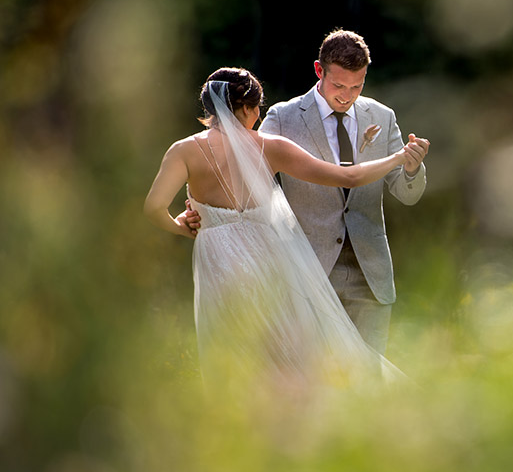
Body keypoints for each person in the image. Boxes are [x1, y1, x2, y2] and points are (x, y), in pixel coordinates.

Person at [144, 67, 427, 392]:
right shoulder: (270, 146)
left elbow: (153, 208)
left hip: (217, 262)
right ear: (250, 108)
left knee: (233, 352)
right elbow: (347, 177)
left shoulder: (183, 151)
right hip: (267, 259)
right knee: (285, 350)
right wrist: (397, 158)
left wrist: (180, 226)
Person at [184, 30, 429, 355]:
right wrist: (207, 208)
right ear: (319, 70)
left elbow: (407, 192)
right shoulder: (283, 117)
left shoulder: (382, 116)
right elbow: (247, 177)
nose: (347, 95)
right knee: (316, 383)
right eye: (339, 85)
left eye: (357, 86)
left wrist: (411, 168)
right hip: (306, 274)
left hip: (371, 276)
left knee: (371, 383)